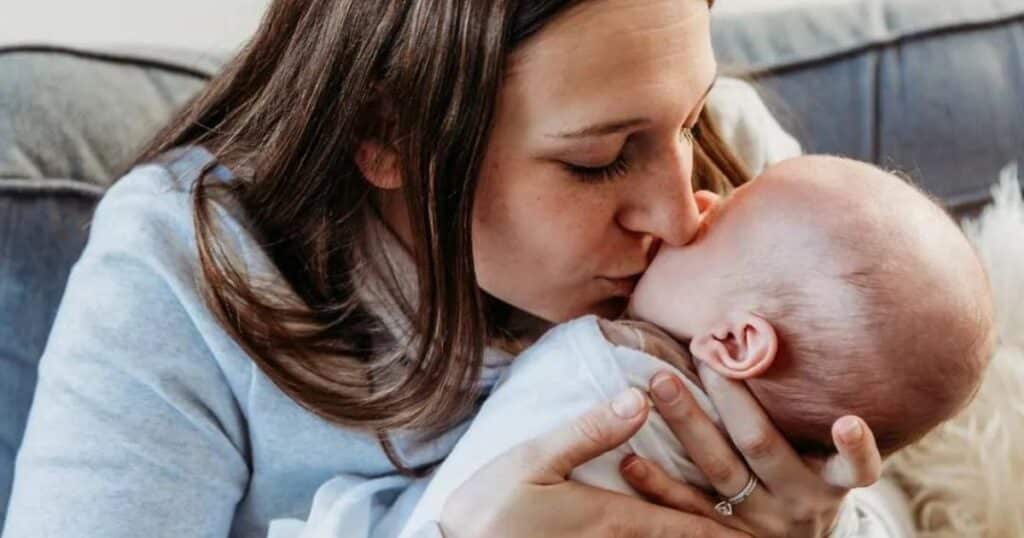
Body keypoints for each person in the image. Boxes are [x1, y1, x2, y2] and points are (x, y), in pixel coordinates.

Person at [4, 1, 907, 537]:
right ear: (386, 135)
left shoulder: (730, 164)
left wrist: (824, 526)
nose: (683, 215)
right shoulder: (181, 267)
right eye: (597, 160)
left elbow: (897, 495)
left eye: (687, 116)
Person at [314, 155, 982, 538]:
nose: (691, 201)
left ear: (737, 341)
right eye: (596, 160)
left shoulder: (601, 379)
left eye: (723, 213)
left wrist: (818, 523)